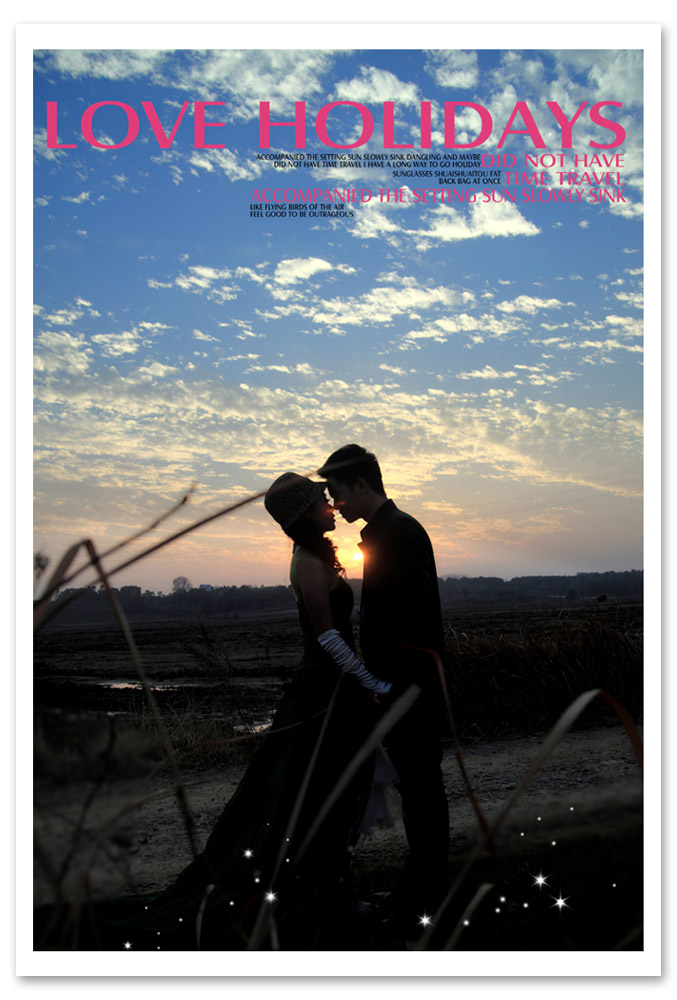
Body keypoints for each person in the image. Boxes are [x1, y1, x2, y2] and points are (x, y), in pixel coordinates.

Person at [35, 473, 389, 951]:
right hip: (323, 694)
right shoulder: (307, 564)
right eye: (322, 502)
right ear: (304, 513)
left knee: (334, 796)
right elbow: (327, 637)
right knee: (317, 800)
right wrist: (372, 682)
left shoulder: (316, 558)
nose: (331, 507)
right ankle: (323, 902)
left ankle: (332, 895)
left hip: (335, 691)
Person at [318, 444, 450, 921]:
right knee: (417, 785)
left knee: (421, 786)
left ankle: (426, 890)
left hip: (411, 687)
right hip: (400, 685)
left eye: (337, 493)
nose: (335, 505)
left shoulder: (400, 533)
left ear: (361, 485)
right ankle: (425, 885)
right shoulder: (386, 533)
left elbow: (411, 619)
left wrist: (389, 683)